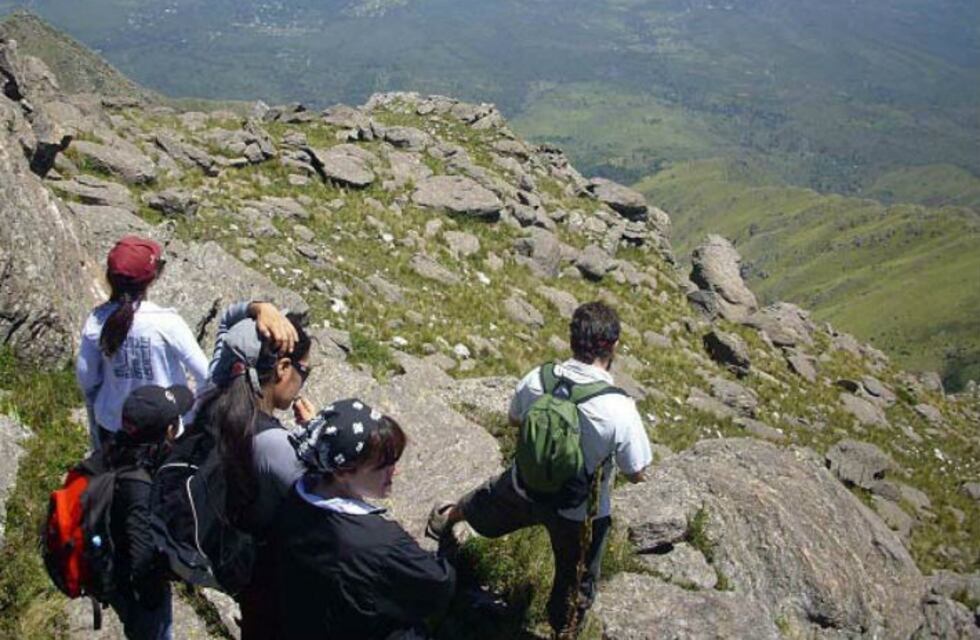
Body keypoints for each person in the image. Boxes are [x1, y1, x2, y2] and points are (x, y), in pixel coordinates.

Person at [427, 301, 653, 639]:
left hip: (523, 486)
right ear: (614, 346)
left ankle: (446, 517)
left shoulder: (539, 378)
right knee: (575, 579)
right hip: (579, 513)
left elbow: (515, 419)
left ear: (573, 340)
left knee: (481, 505)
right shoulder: (619, 408)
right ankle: (563, 626)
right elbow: (637, 472)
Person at [276, 398, 456, 639]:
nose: (396, 471)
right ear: (342, 472)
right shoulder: (379, 543)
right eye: (384, 465)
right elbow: (438, 585)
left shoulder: (295, 495)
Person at [196, 303, 313, 640]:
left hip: (213, 538)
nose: (303, 383)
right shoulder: (274, 445)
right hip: (257, 568)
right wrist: (315, 433)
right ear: (283, 368)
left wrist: (258, 309)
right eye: (304, 373)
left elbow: (225, 326)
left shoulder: (216, 386)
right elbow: (321, 495)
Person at [76, 235, 208, 450]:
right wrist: (190, 416)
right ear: (152, 278)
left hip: (113, 425)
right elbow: (205, 374)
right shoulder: (166, 322)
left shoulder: (97, 319)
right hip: (163, 429)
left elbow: (86, 377)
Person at [107, 384, 195, 640]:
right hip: (134, 592)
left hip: (114, 568)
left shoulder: (115, 448)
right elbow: (142, 558)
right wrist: (153, 599)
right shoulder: (139, 486)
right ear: (167, 431)